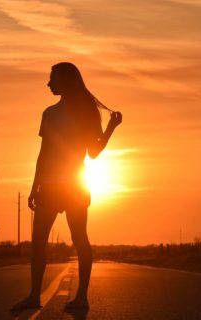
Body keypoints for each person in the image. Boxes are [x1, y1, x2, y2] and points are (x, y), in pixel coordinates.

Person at [11, 62, 122, 311]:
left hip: (74, 183)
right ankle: (33, 296)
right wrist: (33, 187)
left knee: (79, 239)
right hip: (50, 185)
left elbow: (93, 153)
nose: (48, 83)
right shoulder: (49, 113)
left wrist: (110, 129)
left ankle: (81, 297)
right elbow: (43, 154)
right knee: (38, 241)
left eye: (53, 79)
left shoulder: (86, 112)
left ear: (65, 81)